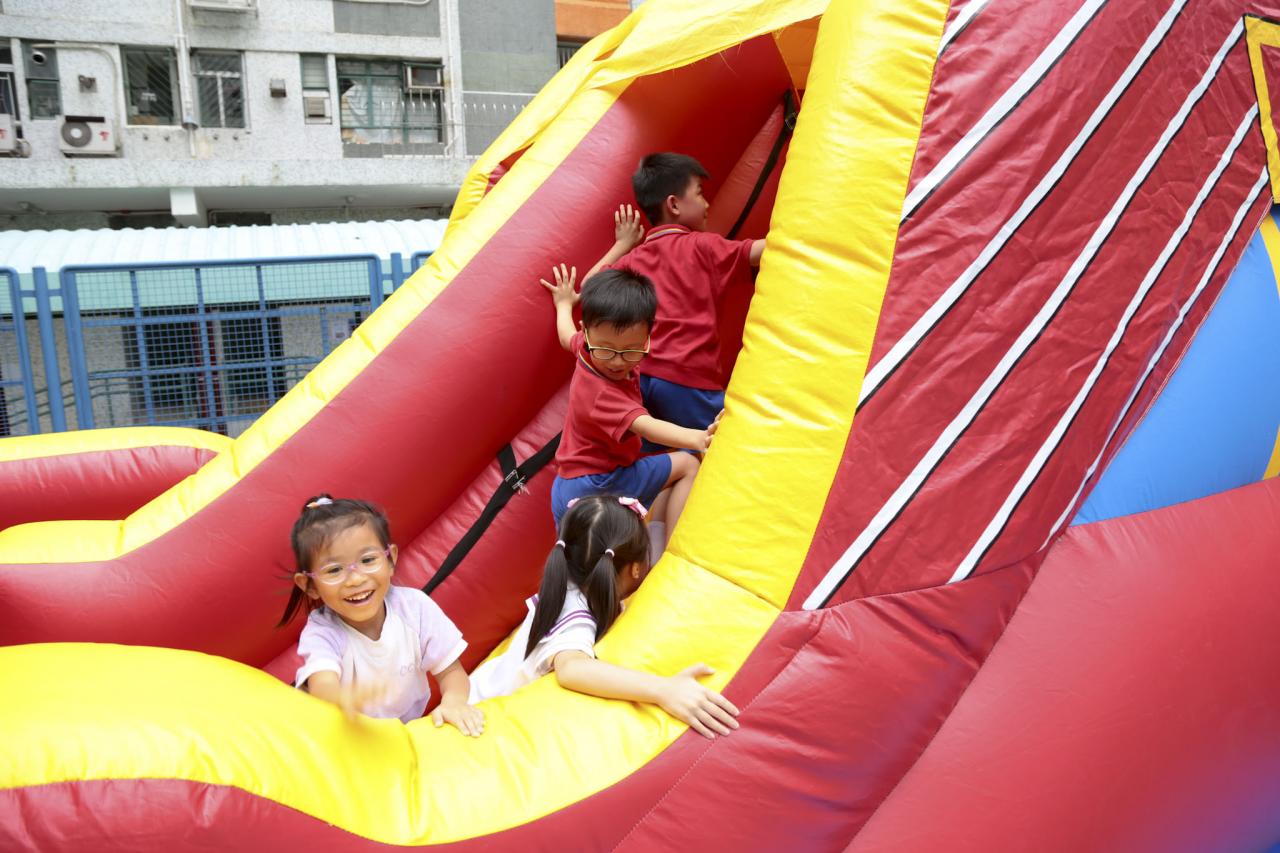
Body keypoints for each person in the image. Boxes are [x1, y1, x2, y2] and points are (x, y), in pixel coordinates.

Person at [468, 495, 740, 739]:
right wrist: (664, 690)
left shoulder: (574, 575)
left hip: (484, 684)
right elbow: (572, 670)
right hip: (480, 711)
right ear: (636, 569)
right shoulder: (576, 611)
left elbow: (652, 542)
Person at [541, 264, 718, 540]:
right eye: (608, 351)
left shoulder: (590, 347)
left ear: (647, 338)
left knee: (670, 474)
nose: (617, 361)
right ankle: (669, 557)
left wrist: (564, 305)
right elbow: (646, 426)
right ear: (586, 332)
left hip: (569, 485)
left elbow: (566, 337)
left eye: (631, 350)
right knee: (688, 465)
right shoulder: (601, 392)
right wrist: (699, 438)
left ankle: (654, 547)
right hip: (597, 484)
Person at [280, 495, 484, 734]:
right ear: (309, 585)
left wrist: (454, 702)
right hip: (341, 734)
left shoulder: (414, 609)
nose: (356, 579)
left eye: (368, 560)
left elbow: (451, 672)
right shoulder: (323, 631)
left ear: (390, 559)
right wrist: (346, 698)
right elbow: (322, 685)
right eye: (334, 570)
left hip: (400, 730)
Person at [619, 153, 766, 441]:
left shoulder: (634, 259)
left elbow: (590, 286)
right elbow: (763, 251)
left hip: (641, 379)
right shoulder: (702, 246)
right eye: (699, 194)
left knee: (671, 450)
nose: (706, 204)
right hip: (686, 379)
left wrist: (622, 245)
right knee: (725, 443)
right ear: (674, 204)